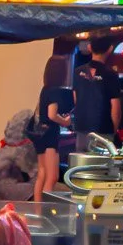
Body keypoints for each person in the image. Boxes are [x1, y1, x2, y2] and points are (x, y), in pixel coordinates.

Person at [31, 55, 74, 205]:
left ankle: (37, 209)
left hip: (40, 135)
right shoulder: (55, 92)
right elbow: (52, 114)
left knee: (42, 174)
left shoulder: (45, 90)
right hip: (50, 136)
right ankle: (46, 210)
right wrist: (66, 121)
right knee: (52, 176)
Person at [72, 34, 123, 144]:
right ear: (110, 49)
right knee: (101, 161)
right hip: (103, 129)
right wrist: (112, 132)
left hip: (82, 127)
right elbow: (115, 108)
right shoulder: (111, 75)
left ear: (89, 47)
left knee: (81, 160)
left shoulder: (78, 72)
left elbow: (76, 99)